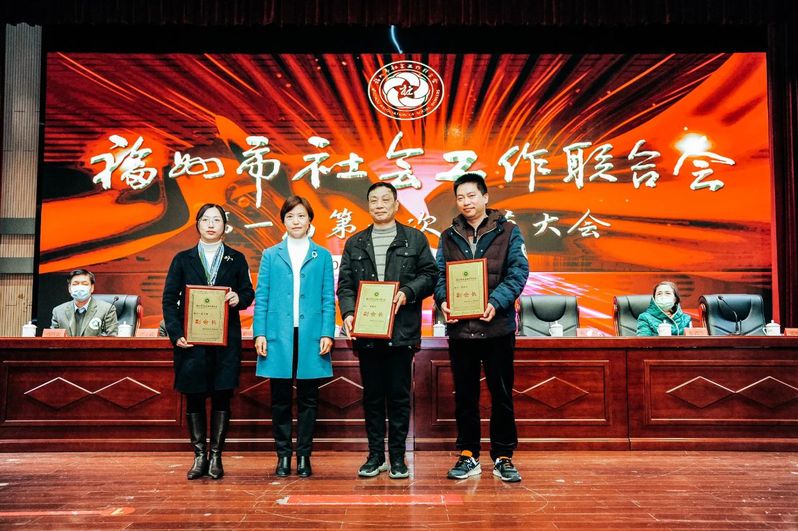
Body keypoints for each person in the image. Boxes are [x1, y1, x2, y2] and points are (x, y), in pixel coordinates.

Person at [337, 182, 437, 479]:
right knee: (372, 396)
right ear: (368, 205)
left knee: (398, 396)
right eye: (374, 200)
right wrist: (349, 313)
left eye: (385, 200)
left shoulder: (414, 238)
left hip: (401, 332)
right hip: (368, 332)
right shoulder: (355, 243)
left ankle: (397, 457)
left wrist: (407, 291)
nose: (379, 205)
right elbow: (345, 286)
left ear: (395, 205)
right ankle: (375, 456)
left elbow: (431, 275)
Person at [434, 173, 529, 483]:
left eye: (472, 195)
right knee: (465, 396)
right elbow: (439, 276)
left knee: (501, 395)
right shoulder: (448, 235)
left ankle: (503, 456)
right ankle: (468, 454)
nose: (466, 202)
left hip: (497, 328)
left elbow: (518, 272)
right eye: (461, 197)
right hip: (461, 331)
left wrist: (496, 302)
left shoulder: (509, 231)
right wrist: (444, 301)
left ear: (485, 197)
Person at [162, 203, 254, 480]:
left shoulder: (236, 258)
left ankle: (216, 456)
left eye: (217, 220)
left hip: (225, 342)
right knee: (194, 397)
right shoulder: (182, 259)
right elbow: (169, 300)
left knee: (222, 396)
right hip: (191, 342)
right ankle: (199, 456)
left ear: (225, 226)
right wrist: (176, 334)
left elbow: (248, 293)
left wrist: (238, 298)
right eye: (205, 219)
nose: (211, 224)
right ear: (198, 225)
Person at [254, 196, 335, 478]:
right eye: (290, 216)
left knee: (309, 400)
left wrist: (327, 332)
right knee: (280, 399)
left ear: (310, 220)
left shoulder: (322, 255)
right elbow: (262, 296)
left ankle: (303, 456)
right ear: (283, 221)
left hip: (311, 334)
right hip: (278, 334)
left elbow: (328, 297)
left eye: (301, 216)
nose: (296, 221)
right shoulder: (270, 254)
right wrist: (260, 332)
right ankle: (282, 456)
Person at [50, 269, 118, 336]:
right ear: (69, 288)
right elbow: (52, 340)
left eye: (85, 284)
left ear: (92, 288)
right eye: (75, 284)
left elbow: (111, 338)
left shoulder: (107, 309)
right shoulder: (58, 311)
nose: (80, 287)